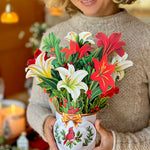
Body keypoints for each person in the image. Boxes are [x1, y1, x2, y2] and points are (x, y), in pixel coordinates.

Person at [27, 0, 150, 149]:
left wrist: (118, 144)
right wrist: (46, 123)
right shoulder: (53, 37)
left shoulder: (145, 38)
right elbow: (36, 105)